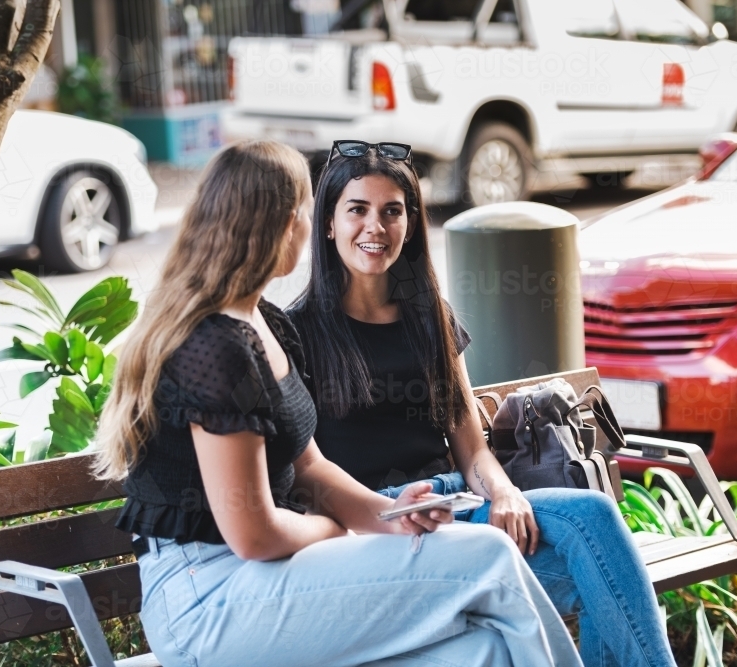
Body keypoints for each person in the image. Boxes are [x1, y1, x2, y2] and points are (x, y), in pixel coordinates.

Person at [93, 140, 582, 667]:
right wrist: (333, 529)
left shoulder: (267, 326)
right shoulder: (215, 347)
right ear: (283, 223)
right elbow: (253, 534)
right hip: (207, 597)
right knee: (487, 557)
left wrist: (391, 514)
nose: (309, 227)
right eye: (304, 210)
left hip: (270, 577)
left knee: (482, 651)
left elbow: (311, 468)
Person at [287, 140, 677, 667]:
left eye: (392, 211)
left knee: (594, 523)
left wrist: (506, 491)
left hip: (460, 508)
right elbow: (308, 475)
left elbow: (471, 448)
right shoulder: (297, 334)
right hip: (389, 528)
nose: (374, 227)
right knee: (600, 577)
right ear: (329, 224)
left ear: (411, 223)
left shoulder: (431, 318)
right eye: (357, 209)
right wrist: (385, 514)